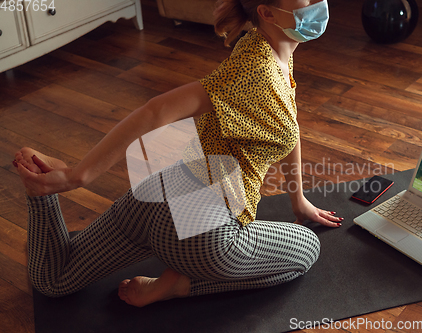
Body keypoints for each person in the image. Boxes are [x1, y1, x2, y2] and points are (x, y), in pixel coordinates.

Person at [13, 0, 342, 307]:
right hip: (205, 235)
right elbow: (156, 111)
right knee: (306, 251)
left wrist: (298, 200)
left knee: (55, 280)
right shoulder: (254, 71)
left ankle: (40, 189)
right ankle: (178, 285)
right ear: (268, 13)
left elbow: (289, 124)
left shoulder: (269, 46)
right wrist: (77, 176)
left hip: (160, 195)